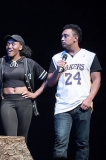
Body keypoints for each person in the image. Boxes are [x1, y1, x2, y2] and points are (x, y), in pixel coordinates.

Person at [47, 24, 102, 160]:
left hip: (82, 104)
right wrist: (58, 70)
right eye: (61, 36)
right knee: (60, 143)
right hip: (62, 106)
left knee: (82, 143)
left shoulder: (89, 56)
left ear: (75, 38)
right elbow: (50, 82)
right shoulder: (57, 58)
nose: (62, 39)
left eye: (66, 36)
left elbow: (97, 80)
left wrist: (89, 99)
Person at [0, 34, 48, 141]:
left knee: (22, 138)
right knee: (11, 138)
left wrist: (35, 94)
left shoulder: (29, 63)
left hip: (24, 102)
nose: (9, 46)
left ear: (20, 47)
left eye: (13, 44)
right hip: (7, 102)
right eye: (8, 44)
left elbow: (48, 79)